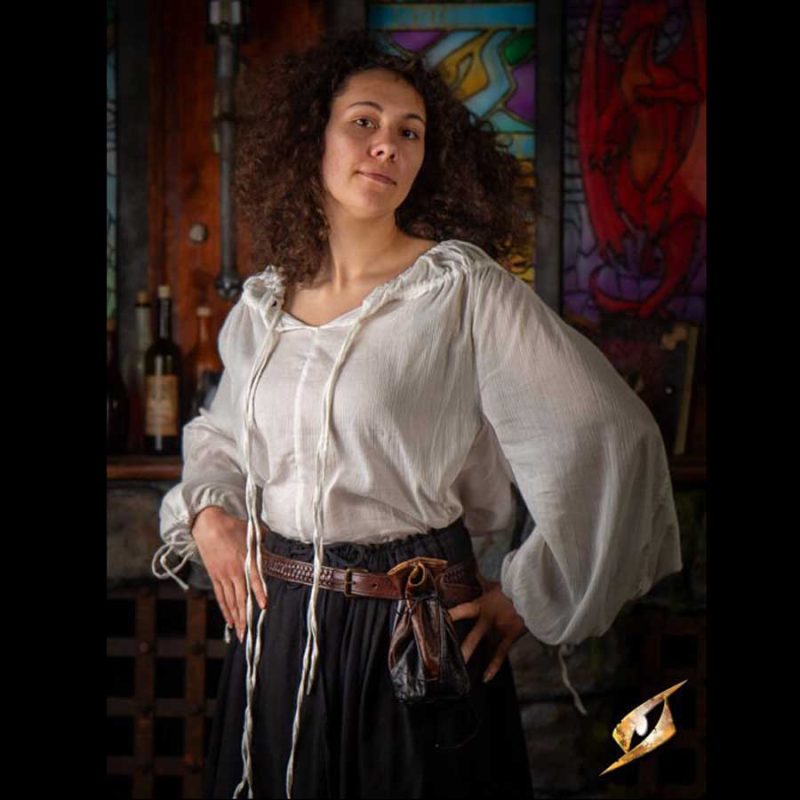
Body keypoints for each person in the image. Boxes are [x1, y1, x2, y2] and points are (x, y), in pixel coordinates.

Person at [152, 29, 682, 800]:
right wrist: (208, 514)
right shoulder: (262, 306)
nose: (387, 145)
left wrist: (526, 594)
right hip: (280, 626)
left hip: (415, 630)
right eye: (363, 122)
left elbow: (610, 434)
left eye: (410, 132)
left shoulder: (460, 288)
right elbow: (220, 438)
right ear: (312, 138)